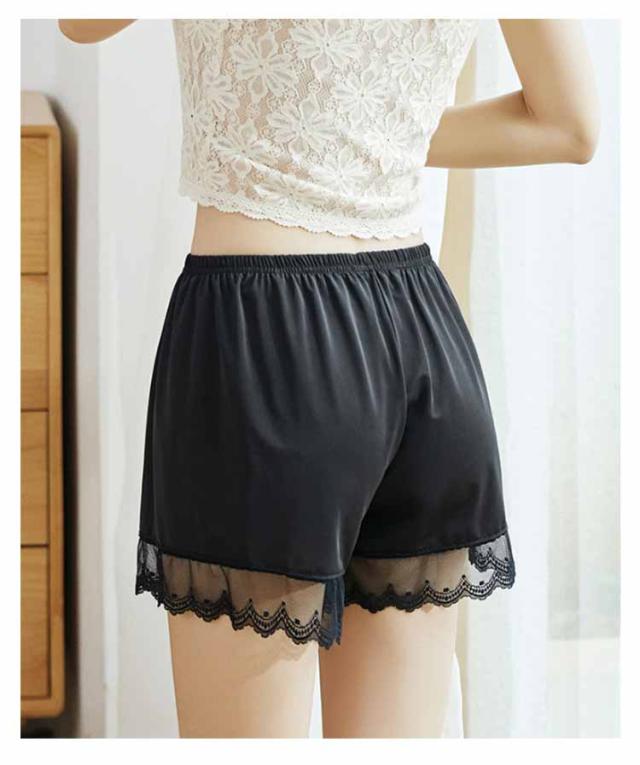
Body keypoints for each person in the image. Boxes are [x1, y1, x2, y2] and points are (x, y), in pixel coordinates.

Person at [58, 18, 599, 738]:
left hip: (263, 342)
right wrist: (371, 128)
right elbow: (568, 123)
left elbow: (78, 21)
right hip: (424, 340)